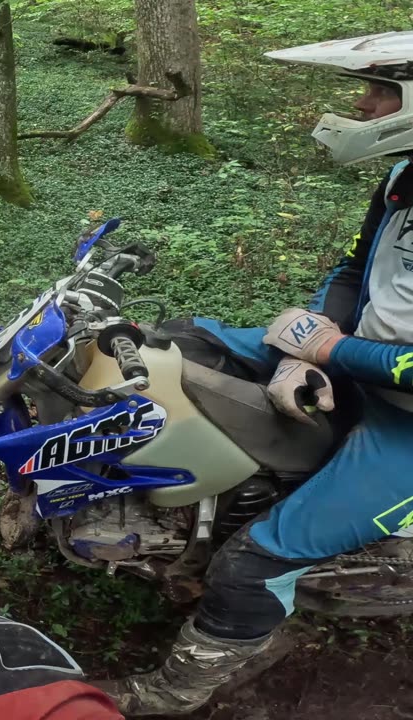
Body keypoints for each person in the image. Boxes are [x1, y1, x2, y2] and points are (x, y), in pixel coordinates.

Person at [97, 31, 413, 716]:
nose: (362, 104)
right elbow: (354, 269)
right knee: (180, 343)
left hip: (406, 424)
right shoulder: (400, 179)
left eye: (380, 91)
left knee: (251, 565)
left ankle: (172, 695)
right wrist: (312, 343)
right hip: (357, 361)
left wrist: (330, 353)